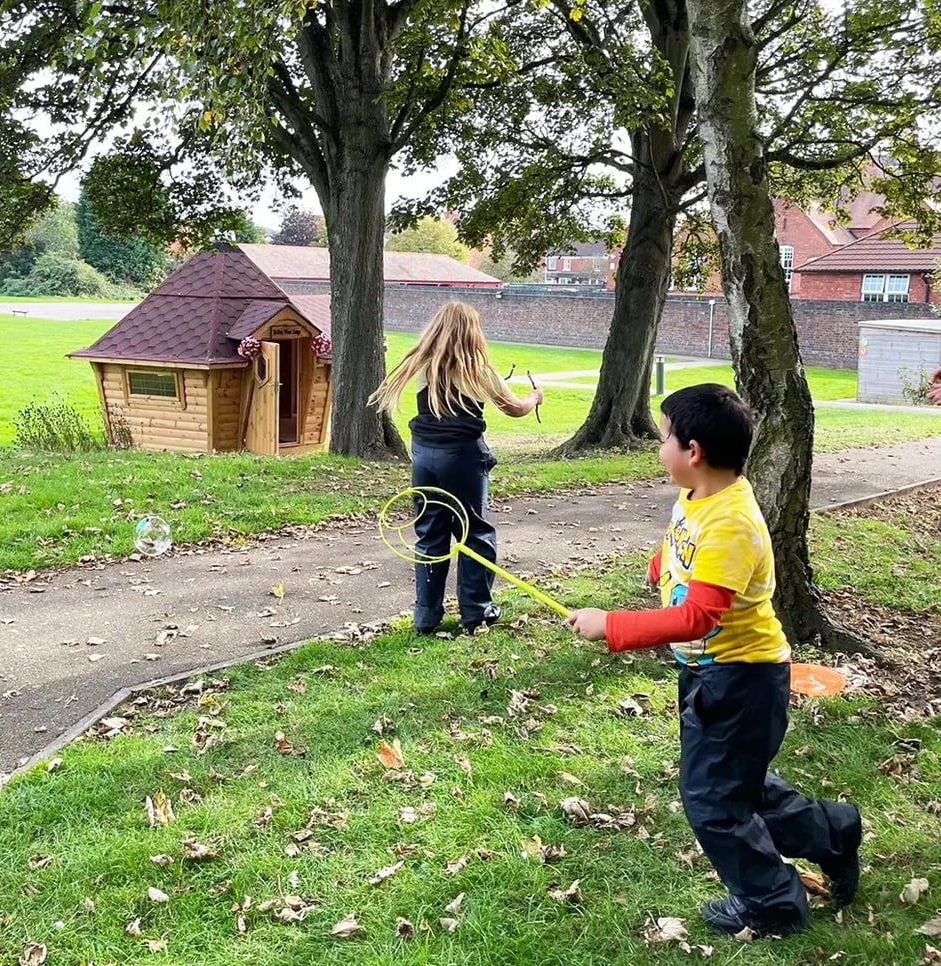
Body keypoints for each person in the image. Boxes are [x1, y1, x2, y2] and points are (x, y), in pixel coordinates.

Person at [569, 383, 862, 937]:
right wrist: (665, 563)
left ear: (693, 450)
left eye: (663, 439)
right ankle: (834, 831)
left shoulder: (732, 522)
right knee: (736, 786)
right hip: (713, 675)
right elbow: (688, 545)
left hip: (741, 680)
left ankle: (772, 904)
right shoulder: (701, 496)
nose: (659, 451)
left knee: (713, 803)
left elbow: (698, 618)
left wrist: (612, 624)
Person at [369, 302, 542, 634]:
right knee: (474, 533)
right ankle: (476, 611)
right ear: (472, 333)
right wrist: (534, 397)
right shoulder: (480, 372)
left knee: (430, 535)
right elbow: (517, 409)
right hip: (462, 459)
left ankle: (425, 616)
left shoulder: (422, 367)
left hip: (423, 459)